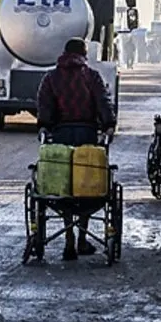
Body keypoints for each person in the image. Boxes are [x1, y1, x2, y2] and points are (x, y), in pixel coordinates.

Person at [36, 37, 118, 260]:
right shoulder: (91, 76)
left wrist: (45, 126)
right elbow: (103, 102)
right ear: (84, 55)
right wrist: (109, 126)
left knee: (64, 186)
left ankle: (69, 240)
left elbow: (44, 107)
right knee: (85, 184)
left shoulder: (51, 78)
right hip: (87, 134)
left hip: (60, 134)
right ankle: (81, 239)